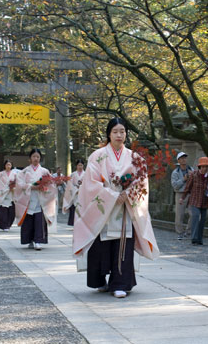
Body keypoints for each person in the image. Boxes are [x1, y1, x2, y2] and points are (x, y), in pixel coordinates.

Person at [72, 117, 159, 298]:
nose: (119, 135)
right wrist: (111, 195)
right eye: (115, 132)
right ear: (109, 134)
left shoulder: (135, 158)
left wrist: (127, 193)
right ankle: (100, 280)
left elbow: (141, 181)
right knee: (101, 245)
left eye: (122, 132)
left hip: (125, 207)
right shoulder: (97, 156)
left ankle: (120, 283)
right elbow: (91, 184)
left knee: (123, 244)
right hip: (104, 209)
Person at [14, 149, 57, 251]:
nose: (36, 159)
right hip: (28, 198)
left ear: (40, 158)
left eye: (38, 157)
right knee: (29, 220)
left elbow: (51, 186)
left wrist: (44, 187)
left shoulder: (44, 171)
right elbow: (19, 184)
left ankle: (38, 241)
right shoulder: (24, 171)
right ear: (30, 159)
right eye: (34, 156)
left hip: (40, 198)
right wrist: (32, 187)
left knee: (39, 220)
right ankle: (30, 240)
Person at [180, 157, 208, 245]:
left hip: (204, 201)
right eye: (203, 167)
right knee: (195, 217)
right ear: (200, 167)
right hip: (194, 200)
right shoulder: (194, 175)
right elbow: (188, 187)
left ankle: (200, 239)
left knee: (203, 220)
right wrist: (182, 198)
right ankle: (194, 238)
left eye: (206, 167)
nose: (204, 168)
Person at [171, 152, 193, 240]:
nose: (184, 160)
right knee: (179, 214)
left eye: (185, 158)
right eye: (182, 158)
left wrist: (192, 176)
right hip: (180, 193)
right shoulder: (175, 172)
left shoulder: (191, 169)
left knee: (193, 213)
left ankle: (189, 231)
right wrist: (183, 180)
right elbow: (175, 185)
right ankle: (179, 232)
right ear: (178, 160)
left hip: (190, 193)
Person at [0, 160, 16, 232]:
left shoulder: (14, 175)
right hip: (3, 195)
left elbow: (18, 183)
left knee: (11, 212)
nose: (8, 166)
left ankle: (8, 225)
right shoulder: (0, 174)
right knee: (3, 212)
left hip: (11, 194)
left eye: (10, 165)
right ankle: (4, 225)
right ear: (4, 165)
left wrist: (13, 187)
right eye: (7, 165)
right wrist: (7, 188)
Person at [62, 159, 85, 226]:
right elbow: (69, 185)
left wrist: (81, 188)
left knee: (82, 208)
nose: (80, 166)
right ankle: (73, 223)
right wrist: (76, 190)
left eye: (81, 165)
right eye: (78, 165)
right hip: (74, 194)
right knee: (74, 208)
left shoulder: (86, 174)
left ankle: (82, 224)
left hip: (82, 194)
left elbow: (87, 184)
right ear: (76, 166)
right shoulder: (72, 174)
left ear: (83, 166)